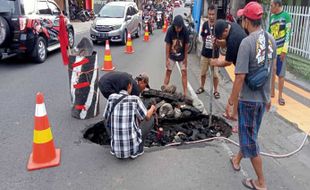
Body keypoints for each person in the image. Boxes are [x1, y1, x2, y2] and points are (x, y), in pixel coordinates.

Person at [227, 2, 277, 190]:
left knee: (251, 141)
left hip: (248, 101)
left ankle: (261, 182)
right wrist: (270, 96)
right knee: (250, 134)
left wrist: (231, 101)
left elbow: (240, 77)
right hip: (262, 100)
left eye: (242, 19)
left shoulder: (246, 43)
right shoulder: (271, 39)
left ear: (247, 20)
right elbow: (270, 70)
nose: (242, 22)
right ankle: (237, 159)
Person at [103, 76, 156, 159]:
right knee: (150, 118)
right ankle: (139, 149)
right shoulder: (135, 99)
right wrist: (152, 108)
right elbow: (147, 117)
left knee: (106, 120)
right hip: (132, 150)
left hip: (116, 150)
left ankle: (115, 141)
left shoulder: (111, 97)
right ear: (129, 86)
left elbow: (106, 117)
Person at [211, 19, 247, 122]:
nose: (222, 38)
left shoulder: (233, 39)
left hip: (244, 66)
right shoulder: (232, 25)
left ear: (226, 30)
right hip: (241, 61)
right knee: (238, 90)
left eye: (222, 36)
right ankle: (233, 113)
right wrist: (219, 42)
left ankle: (235, 114)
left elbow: (228, 62)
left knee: (238, 90)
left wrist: (216, 63)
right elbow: (225, 43)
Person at [269, 0, 292, 106]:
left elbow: (288, 34)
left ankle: (280, 96)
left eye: (272, 5)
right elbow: (269, 33)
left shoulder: (286, 16)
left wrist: (284, 50)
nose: (270, 7)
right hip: (272, 50)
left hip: (281, 51)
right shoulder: (272, 17)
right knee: (272, 72)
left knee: (281, 74)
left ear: (278, 5)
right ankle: (272, 92)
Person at [195, 4, 220, 99]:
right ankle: (202, 87)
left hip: (215, 56)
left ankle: (216, 91)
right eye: (209, 14)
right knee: (202, 73)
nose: (211, 16)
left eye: (213, 14)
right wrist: (207, 42)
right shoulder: (205, 25)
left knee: (215, 75)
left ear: (216, 14)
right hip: (205, 54)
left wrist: (216, 43)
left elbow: (222, 39)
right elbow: (202, 36)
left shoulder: (218, 25)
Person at [164, 15, 189, 96]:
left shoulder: (185, 30)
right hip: (172, 54)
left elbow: (186, 45)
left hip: (181, 55)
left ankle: (185, 92)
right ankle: (164, 89)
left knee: (184, 72)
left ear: (182, 26)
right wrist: (167, 59)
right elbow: (168, 44)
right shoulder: (170, 30)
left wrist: (185, 58)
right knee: (168, 71)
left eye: (179, 28)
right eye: (176, 27)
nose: (177, 29)